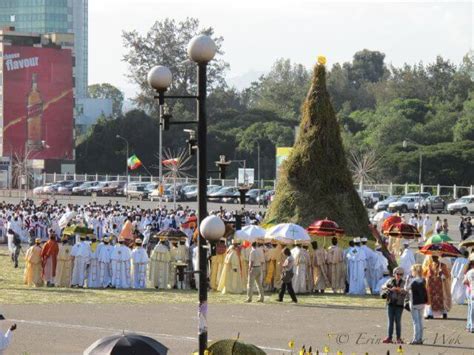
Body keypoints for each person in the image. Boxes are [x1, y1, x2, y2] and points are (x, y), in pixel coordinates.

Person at [381, 266, 407, 344]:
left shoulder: (404, 282)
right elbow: (383, 287)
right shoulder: (390, 281)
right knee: (390, 321)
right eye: (397, 274)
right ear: (394, 274)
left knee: (398, 321)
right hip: (390, 303)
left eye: (401, 274)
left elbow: (407, 291)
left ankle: (399, 338)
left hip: (399, 304)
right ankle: (389, 337)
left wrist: (399, 290)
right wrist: (388, 288)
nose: (399, 275)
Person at [405, 264, 428, 345]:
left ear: (415, 271)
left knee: (415, 321)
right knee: (420, 321)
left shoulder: (413, 281)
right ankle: (420, 338)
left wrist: (407, 280)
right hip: (422, 302)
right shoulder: (423, 280)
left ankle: (415, 339)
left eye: (412, 271)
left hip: (414, 302)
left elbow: (406, 289)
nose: (411, 272)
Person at [463, 254, 474, 333]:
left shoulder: (469, 271)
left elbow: (464, 282)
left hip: (471, 291)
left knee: (470, 310)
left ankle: (470, 326)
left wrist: (470, 285)